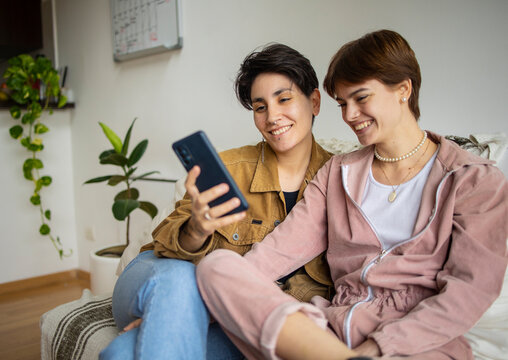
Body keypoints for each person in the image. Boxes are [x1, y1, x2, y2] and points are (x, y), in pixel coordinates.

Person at [196, 29, 508, 360]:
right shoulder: (337, 173)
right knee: (218, 265)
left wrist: (377, 348)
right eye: (343, 104)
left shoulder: (474, 180)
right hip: (330, 331)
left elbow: (468, 292)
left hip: (418, 342)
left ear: (403, 89)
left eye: (361, 98)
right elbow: (275, 254)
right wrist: (184, 310)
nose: (349, 116)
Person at [99, 43, 335, 359]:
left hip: (240, 314)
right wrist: (196, 229)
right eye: (260, 106)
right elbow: (165, 248)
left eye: (284, 99)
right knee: (180, 281)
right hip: (163, 275)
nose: (272, 116)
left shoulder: (341, 179)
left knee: (123, 353)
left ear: (314, 101)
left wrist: (175, 318)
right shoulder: (228, 167)